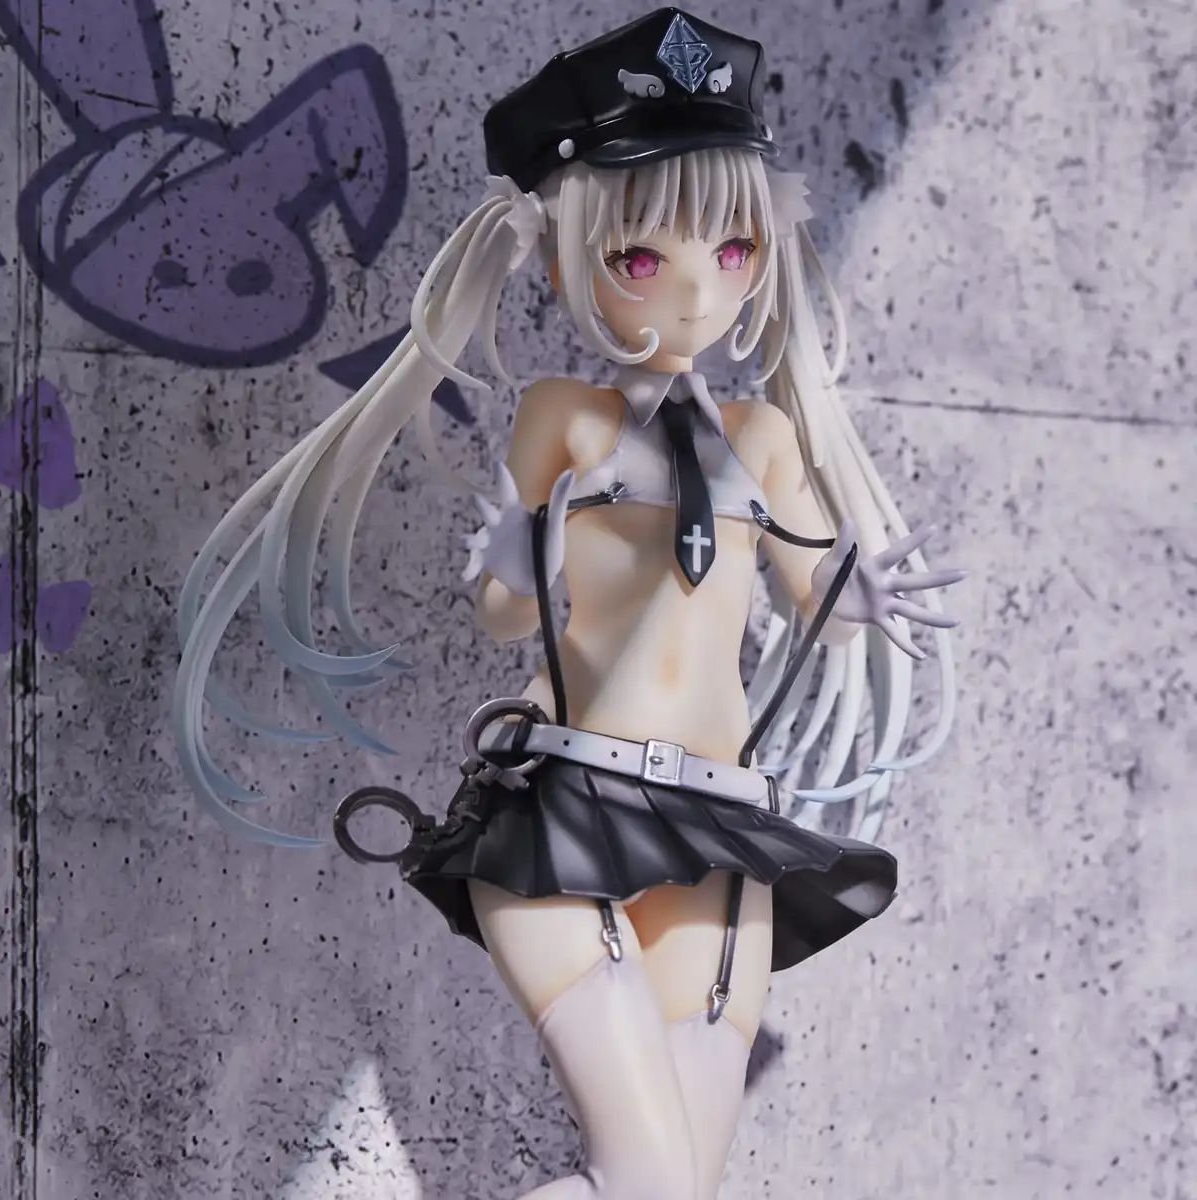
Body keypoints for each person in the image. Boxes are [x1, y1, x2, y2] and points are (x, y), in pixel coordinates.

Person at [174, 9, 964, 1197]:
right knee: (642, 1178)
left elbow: (824, 603)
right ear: (563, 259)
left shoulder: (762, 438)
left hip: (721, 832)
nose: (695, 289)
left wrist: (865, 596)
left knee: (673, 1190)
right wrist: (519, 556)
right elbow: (501, 613)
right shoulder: (565, 417)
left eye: (732, 251)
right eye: (643, 258)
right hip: (566, 808)